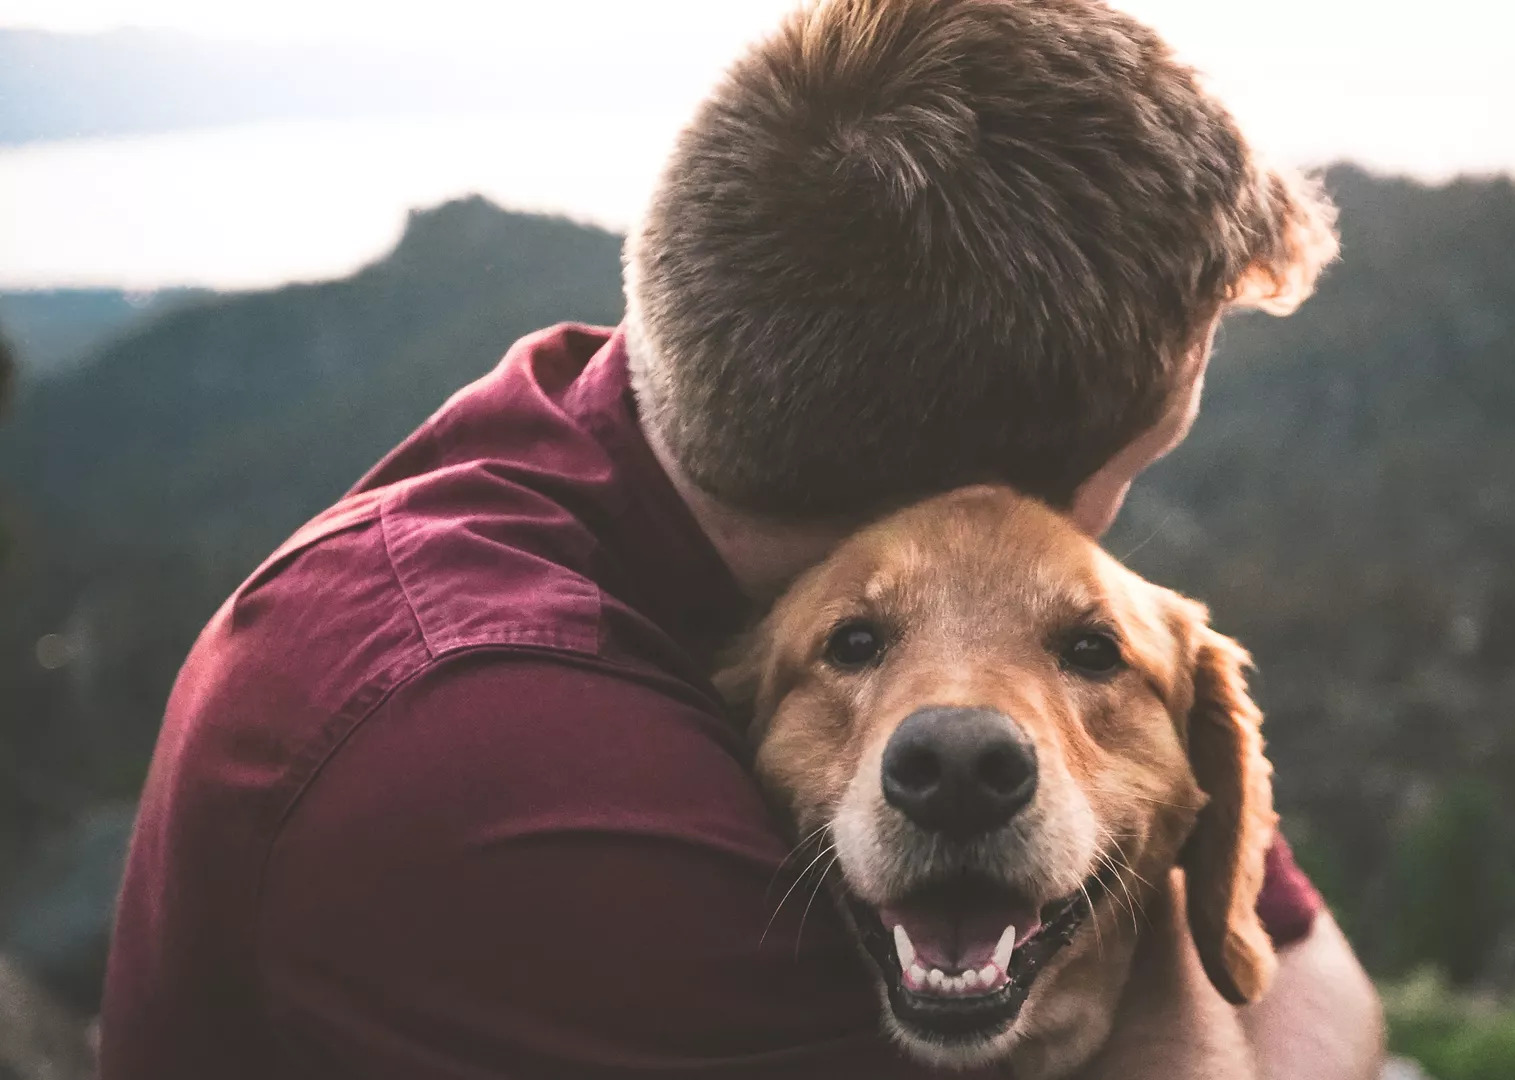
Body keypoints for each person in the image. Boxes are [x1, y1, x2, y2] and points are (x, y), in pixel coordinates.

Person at [99, 0, 1381, 1076]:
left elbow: (1317, 980)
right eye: (1138, 466)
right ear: (970, 502)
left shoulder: (652, 426)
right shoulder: (500, 771)